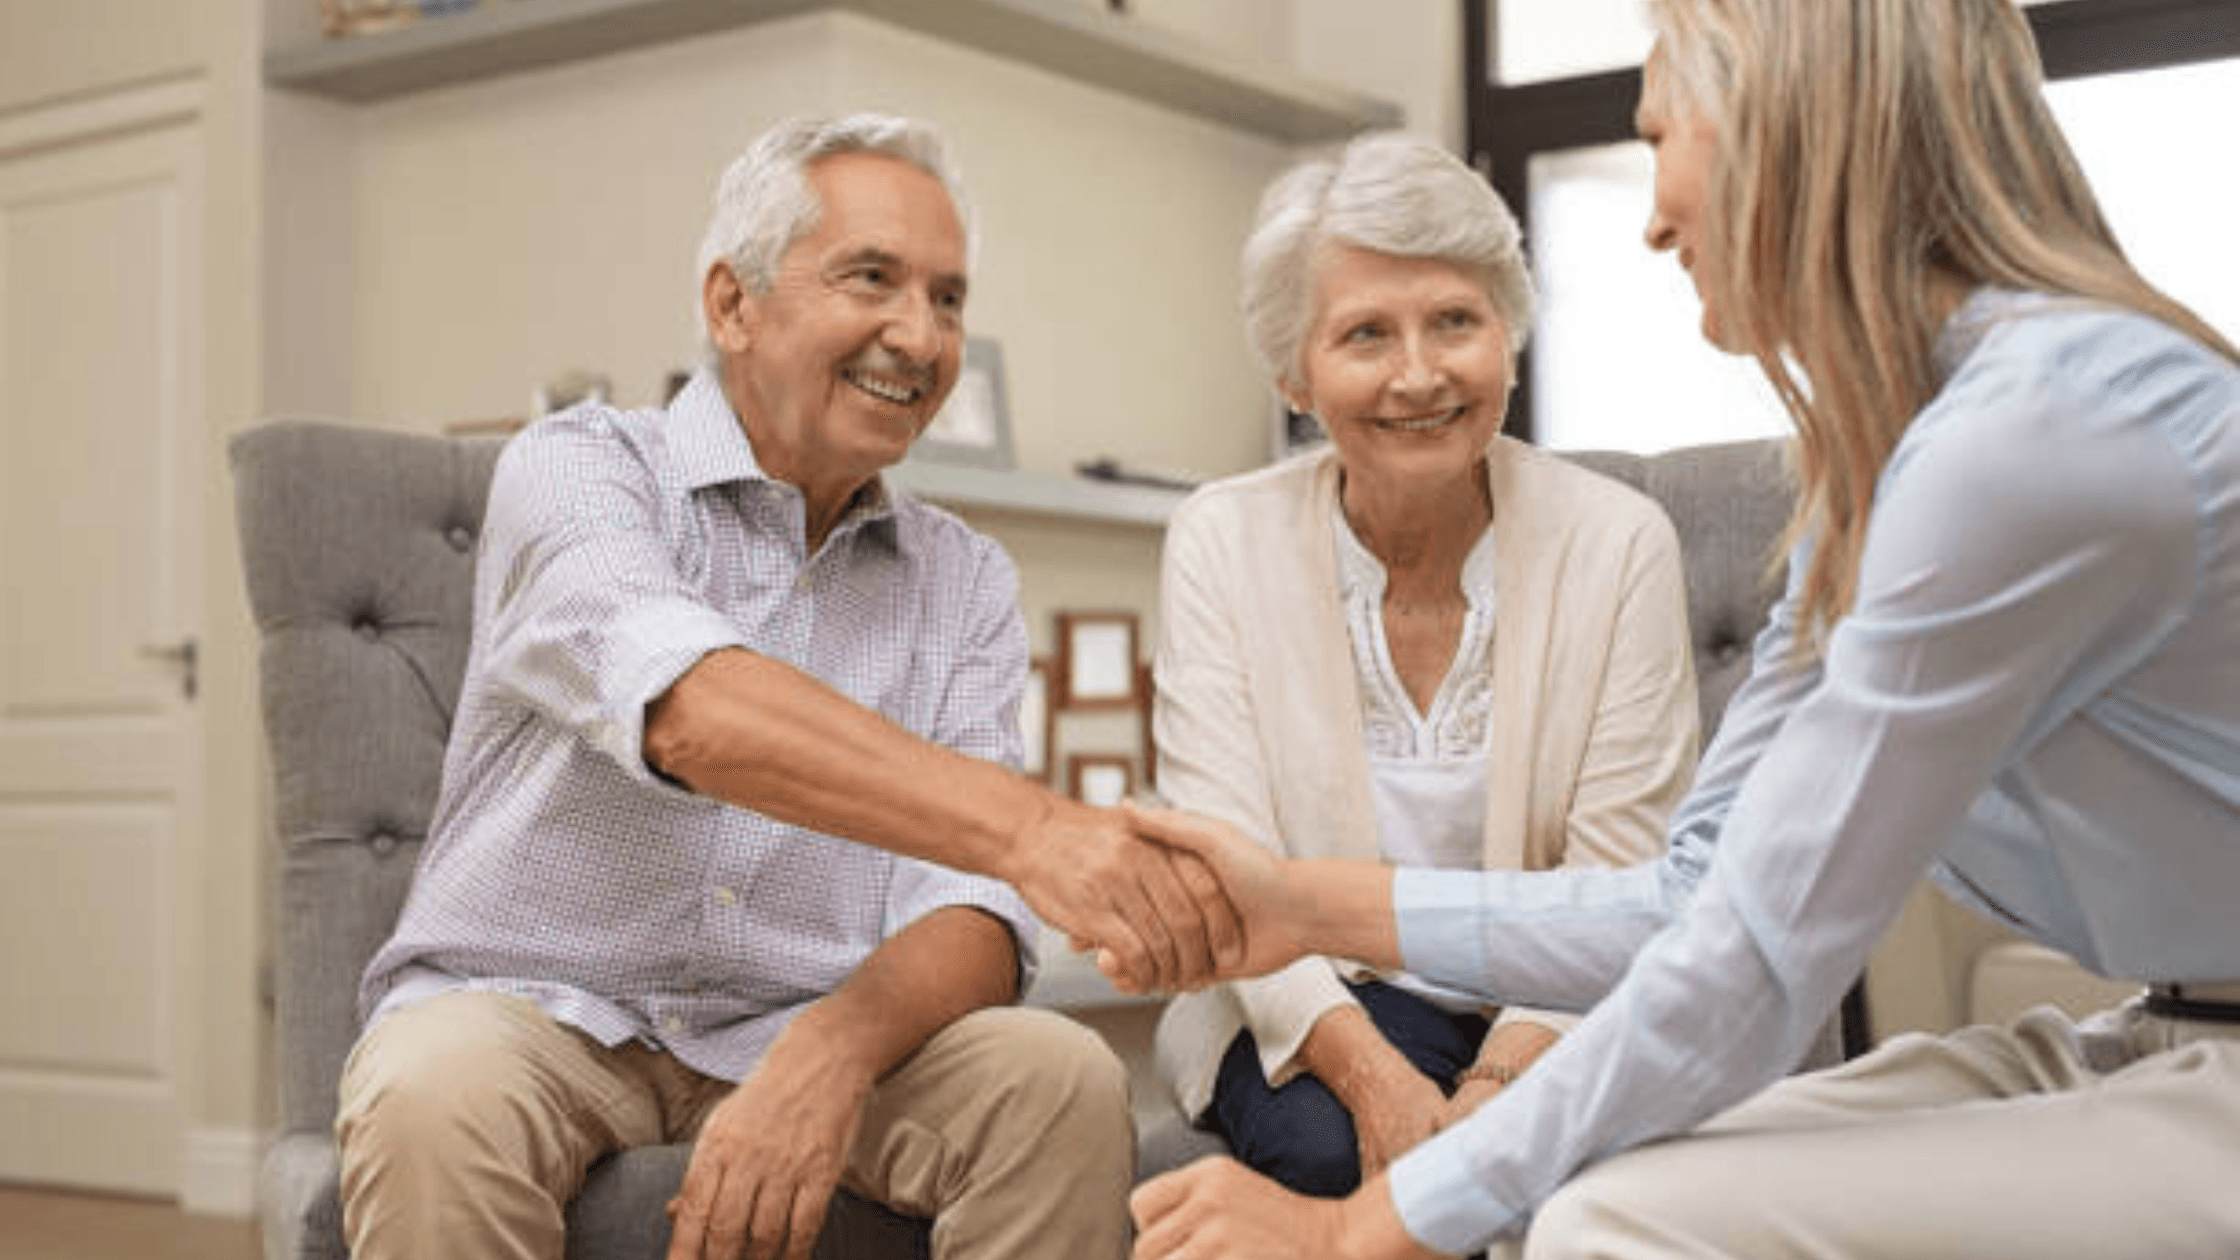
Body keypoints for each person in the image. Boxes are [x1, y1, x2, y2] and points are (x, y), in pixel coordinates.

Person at [1128, 0, 2240, 1255]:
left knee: (1600, 1218)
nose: (1653, 214)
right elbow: (1687, 898)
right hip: (2156, 1030)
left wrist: (1353, 1232)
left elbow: (1755, 963)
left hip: (2214, 1069)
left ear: (1781, 132)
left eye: (1662, 135)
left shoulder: (2027, 439)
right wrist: (1301, 905)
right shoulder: (1883, 471)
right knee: (1591, 1169)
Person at [334, 114, 1237, 1260]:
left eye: (948, 299)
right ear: (731, 305)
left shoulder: (962, 576)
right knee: (427, 1091)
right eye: (872, 278)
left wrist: (833, 1046)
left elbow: (969, 908)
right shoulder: (577, 468)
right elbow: (691, 711)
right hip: (529, 1012)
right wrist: (1039, 833)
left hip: (801, 1021)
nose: (918, 336)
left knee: (1051, 1074)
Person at [1148, 131, 1698, 1200]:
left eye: (1455, 320)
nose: (1418, 372)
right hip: (1310, 1001)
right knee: (1329, 1154)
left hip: (1558, 1001)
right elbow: (1228, 872)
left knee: (1576, 1173)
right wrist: (1381, 1088)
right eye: (1364, 334)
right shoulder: (1220, 537)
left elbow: (1619, 884)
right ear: (1291, 372)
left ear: (1508, 333)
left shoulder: (1620, 542)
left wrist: (1493, 1091)